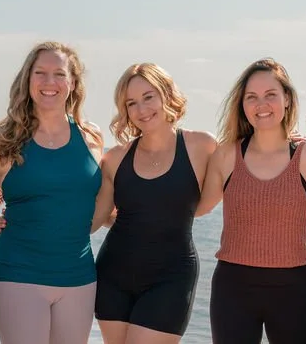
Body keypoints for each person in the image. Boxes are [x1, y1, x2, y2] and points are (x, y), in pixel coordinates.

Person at [0, 41, 111, 344]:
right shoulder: (2, 139)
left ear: (73, 82)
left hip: (78, 275)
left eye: (59, 74)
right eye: (40, 73)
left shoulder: (92, 136)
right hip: (18, 273)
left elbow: (93, 207)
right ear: (28, 79)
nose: (49, 82)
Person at [197, 58, 306, 344]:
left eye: (271, 94)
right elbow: (198, 208)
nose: (262, 104)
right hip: (232, 288)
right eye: (252, 97)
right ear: (242, 105)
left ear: (287, 98)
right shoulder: (225, 156)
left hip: (293, 289)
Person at [88, 63, 216, 343]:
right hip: (113, 275)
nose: (141, 109)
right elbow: (94, 220)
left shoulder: (202, 146)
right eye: (131, 103)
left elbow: (241, 173)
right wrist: (27, 219)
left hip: (171, 279)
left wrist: (288, 141)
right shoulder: (115, 158)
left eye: (148, 97)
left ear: (166, 94)